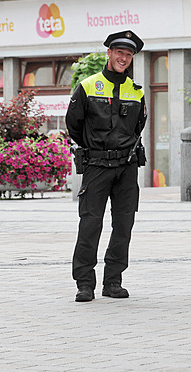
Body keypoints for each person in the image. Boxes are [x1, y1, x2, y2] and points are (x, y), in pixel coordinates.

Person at [66, 30, 146, 303]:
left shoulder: (137, 91)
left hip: (127, 166)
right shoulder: (88, 86)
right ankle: (85, 283)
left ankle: (113, 281)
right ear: (109, 53)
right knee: (90, 224)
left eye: (129, 54)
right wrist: (96, 147)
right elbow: (74, 125)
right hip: (97, 164)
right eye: (119, 52)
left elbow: (139, 126)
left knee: (124, 225)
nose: (123, 58)